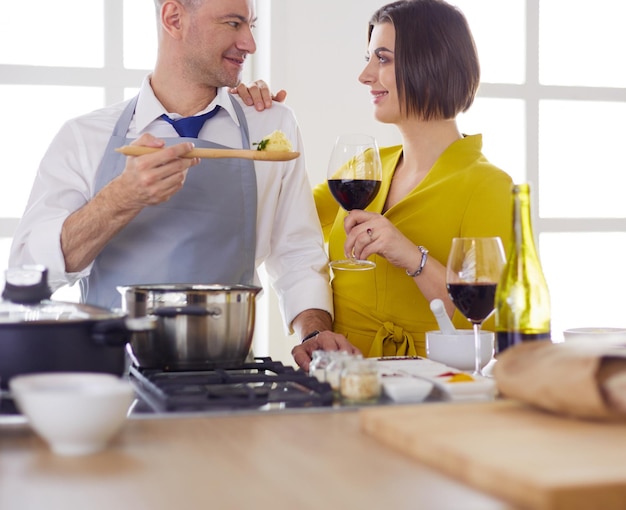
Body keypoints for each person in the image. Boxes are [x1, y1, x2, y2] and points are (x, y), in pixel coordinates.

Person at [8, 0, 357, 358]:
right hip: (109, 383)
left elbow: (296, 252)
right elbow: (28, 272)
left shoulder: (270, 126)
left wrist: (313, 332)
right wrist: (119, 200)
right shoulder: (85, 136)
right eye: (234, 23)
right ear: (173, 19)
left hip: (229, 380)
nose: (250, 43)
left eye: (251, 25)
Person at [283, 0, 513, 370]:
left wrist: (411, 256)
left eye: (383, 59)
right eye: (369, 58)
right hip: (344, 384)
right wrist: (254, 118)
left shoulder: (489, 186)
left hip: (430, 387)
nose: (365, 75)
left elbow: (492, 325)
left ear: (430, 63)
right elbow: (282, 222)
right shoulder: (363, 169)